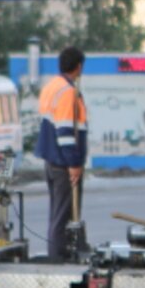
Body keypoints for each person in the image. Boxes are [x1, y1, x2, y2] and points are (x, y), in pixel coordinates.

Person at [35, 47, 88, 261]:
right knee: (63, 215)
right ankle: (58, 259)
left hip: (52, 161)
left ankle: (58, 254)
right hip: (63, 163)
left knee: (56, 213)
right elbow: (66, 132)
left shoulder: (51, 87)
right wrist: (74, 163)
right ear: (79, 67)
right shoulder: (67, 92)